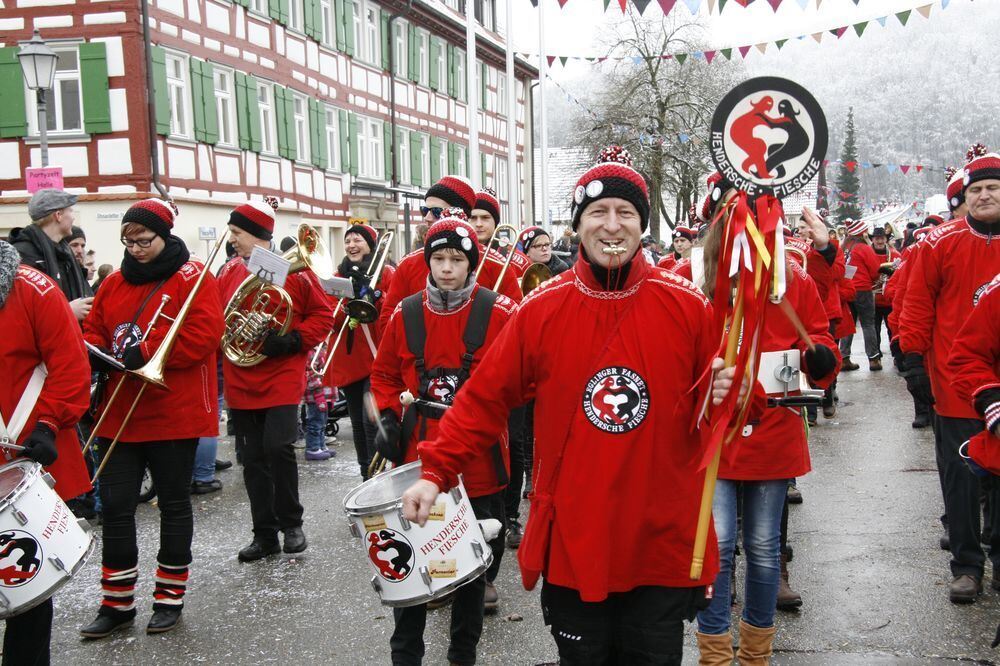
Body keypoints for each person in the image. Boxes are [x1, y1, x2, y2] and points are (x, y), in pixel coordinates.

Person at [398, 146, 749, 664]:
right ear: (578, 224)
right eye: (598, 213)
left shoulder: (688, 306)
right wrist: (436, 471)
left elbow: (719, 411)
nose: (612, 226)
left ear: (642, 224)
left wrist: (733, 396)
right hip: (577, 537)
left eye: (625, 213)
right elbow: (483, 398)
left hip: (661, 537)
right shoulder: (541, 310)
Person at [674, 196, 839, 664]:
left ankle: (757, 652)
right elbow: (672, 354)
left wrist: (821, 359)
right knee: (719, 543)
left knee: (765, 547)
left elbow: (820, 337)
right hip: (713, 436)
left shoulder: (792, 280)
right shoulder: (692, 282)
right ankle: (714, 650)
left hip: (772, 434)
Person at [370, 212, 516, 666]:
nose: (448, 267)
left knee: (473, 571)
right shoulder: (405, 313)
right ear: (428, 261)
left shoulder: (501, 311)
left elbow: (518, 378)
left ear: (472, 263)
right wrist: (390, 416)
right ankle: (405, 656)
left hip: (479, 459)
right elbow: (384, 373)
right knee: (412, 562)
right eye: (439, 258)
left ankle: (462, 655)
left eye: (457, 258)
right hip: (417, 458)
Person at [80, 199, 224, 638]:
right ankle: (117, 602)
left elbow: (204, 333)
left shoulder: (192, 276)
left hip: (172, 412)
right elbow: (95, 329)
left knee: (174, 504)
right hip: (120, 411)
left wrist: (147, 351)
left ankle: (168, 598)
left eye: (144, 240)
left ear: (164, 235)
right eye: (129, 241)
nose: (137, 248)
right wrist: (98, 353)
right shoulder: (113, 282)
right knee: (117, 508)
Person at [899, 152, 1000, 603]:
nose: (984, 195)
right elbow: (917, 303)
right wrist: (915, 362)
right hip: (955, 385)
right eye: (976, 189)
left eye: (993, 188)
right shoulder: (939, 242)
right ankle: (966, 564)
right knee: (960, 477)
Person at [217, 198, 333, 562]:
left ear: (255, 235)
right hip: (242, 376)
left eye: (237, 233)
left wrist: (292, 340)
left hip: (281, 373)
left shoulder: (295, 272)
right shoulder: (229, 272)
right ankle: (263, 533)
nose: (232, 239)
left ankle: (292, 524)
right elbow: (219, 318)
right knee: (251, 458)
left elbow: (322, 316)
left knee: (279, 449)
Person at [0, 240, 91, 665]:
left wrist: (50, 424)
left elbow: (71, 364)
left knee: (25, 586)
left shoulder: (34, 288)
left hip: (28, 450)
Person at [378, 175, 522, 334]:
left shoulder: (496, 264)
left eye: (436, 211)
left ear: (459, 213)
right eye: (425, 210)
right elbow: (387, 324)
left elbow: (516, 324)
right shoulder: (408, 264)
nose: (427, 217)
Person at [325, 223, 394, 474]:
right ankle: (366, 472)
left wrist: (376, 296)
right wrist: (345, 306)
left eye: (358, 240)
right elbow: (329, 320)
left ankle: (381, 472)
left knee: (370, 421)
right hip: (351, 360)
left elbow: (391, 313)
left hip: (377, 357)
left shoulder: (385, 273)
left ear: (370, 246)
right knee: (356, 421)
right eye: (348, 241)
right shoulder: (337, 275)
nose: (352, 245)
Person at [8, 188, 93, 320]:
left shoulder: (64, 252)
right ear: (58, 215)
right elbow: (19, 312)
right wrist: (67, 311)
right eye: (70, 210)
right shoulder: (22, 255)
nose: (73, 216)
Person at [839, 219, 882, 371]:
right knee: (868, 324)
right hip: (863, 289)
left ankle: (844, 358)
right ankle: (873, 359)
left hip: (846, 288)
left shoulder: (844, 247)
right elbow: (875, 270)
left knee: (848, 325)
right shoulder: (864, 248)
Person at [471, 187, 530, 279]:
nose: (479, 224)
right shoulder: (455, 256)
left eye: (485, 218)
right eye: (473, 218)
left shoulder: (520, 262)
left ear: (496, 222)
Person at [871, 227, 900, 352]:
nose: (879, 241)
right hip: (873, 299)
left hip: (889, 299)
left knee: (892, 328)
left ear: (886, 239)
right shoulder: (867, 254)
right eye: (877, 238)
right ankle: (876, 355)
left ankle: (896, 355)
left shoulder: (895, 255)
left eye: (882, 238)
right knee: (874, 329)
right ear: (872, 239)